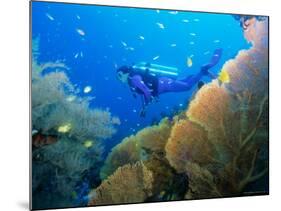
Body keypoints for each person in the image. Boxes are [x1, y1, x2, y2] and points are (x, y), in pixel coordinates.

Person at [117, 48, 223, 117]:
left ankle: (202, 71)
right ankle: (198, 73)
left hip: (165, 84)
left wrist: (150, 99)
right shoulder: (132, 82)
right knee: (185, 82)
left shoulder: (134, 79)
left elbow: (145, 90)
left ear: (124, 73)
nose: (119, 79)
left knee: (187, 86)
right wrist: (144, 108)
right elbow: (144, 94)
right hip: (165, 84)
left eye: (119, 76)